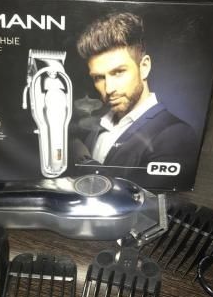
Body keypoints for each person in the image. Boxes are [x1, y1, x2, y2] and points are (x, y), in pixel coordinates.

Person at [75, 12, 198, 177]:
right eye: (99, 78)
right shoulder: (98, 127)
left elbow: (140, 192)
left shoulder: (176, 135)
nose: (109, 88)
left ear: (144, 67)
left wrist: (84, 161)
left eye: (118, 72)